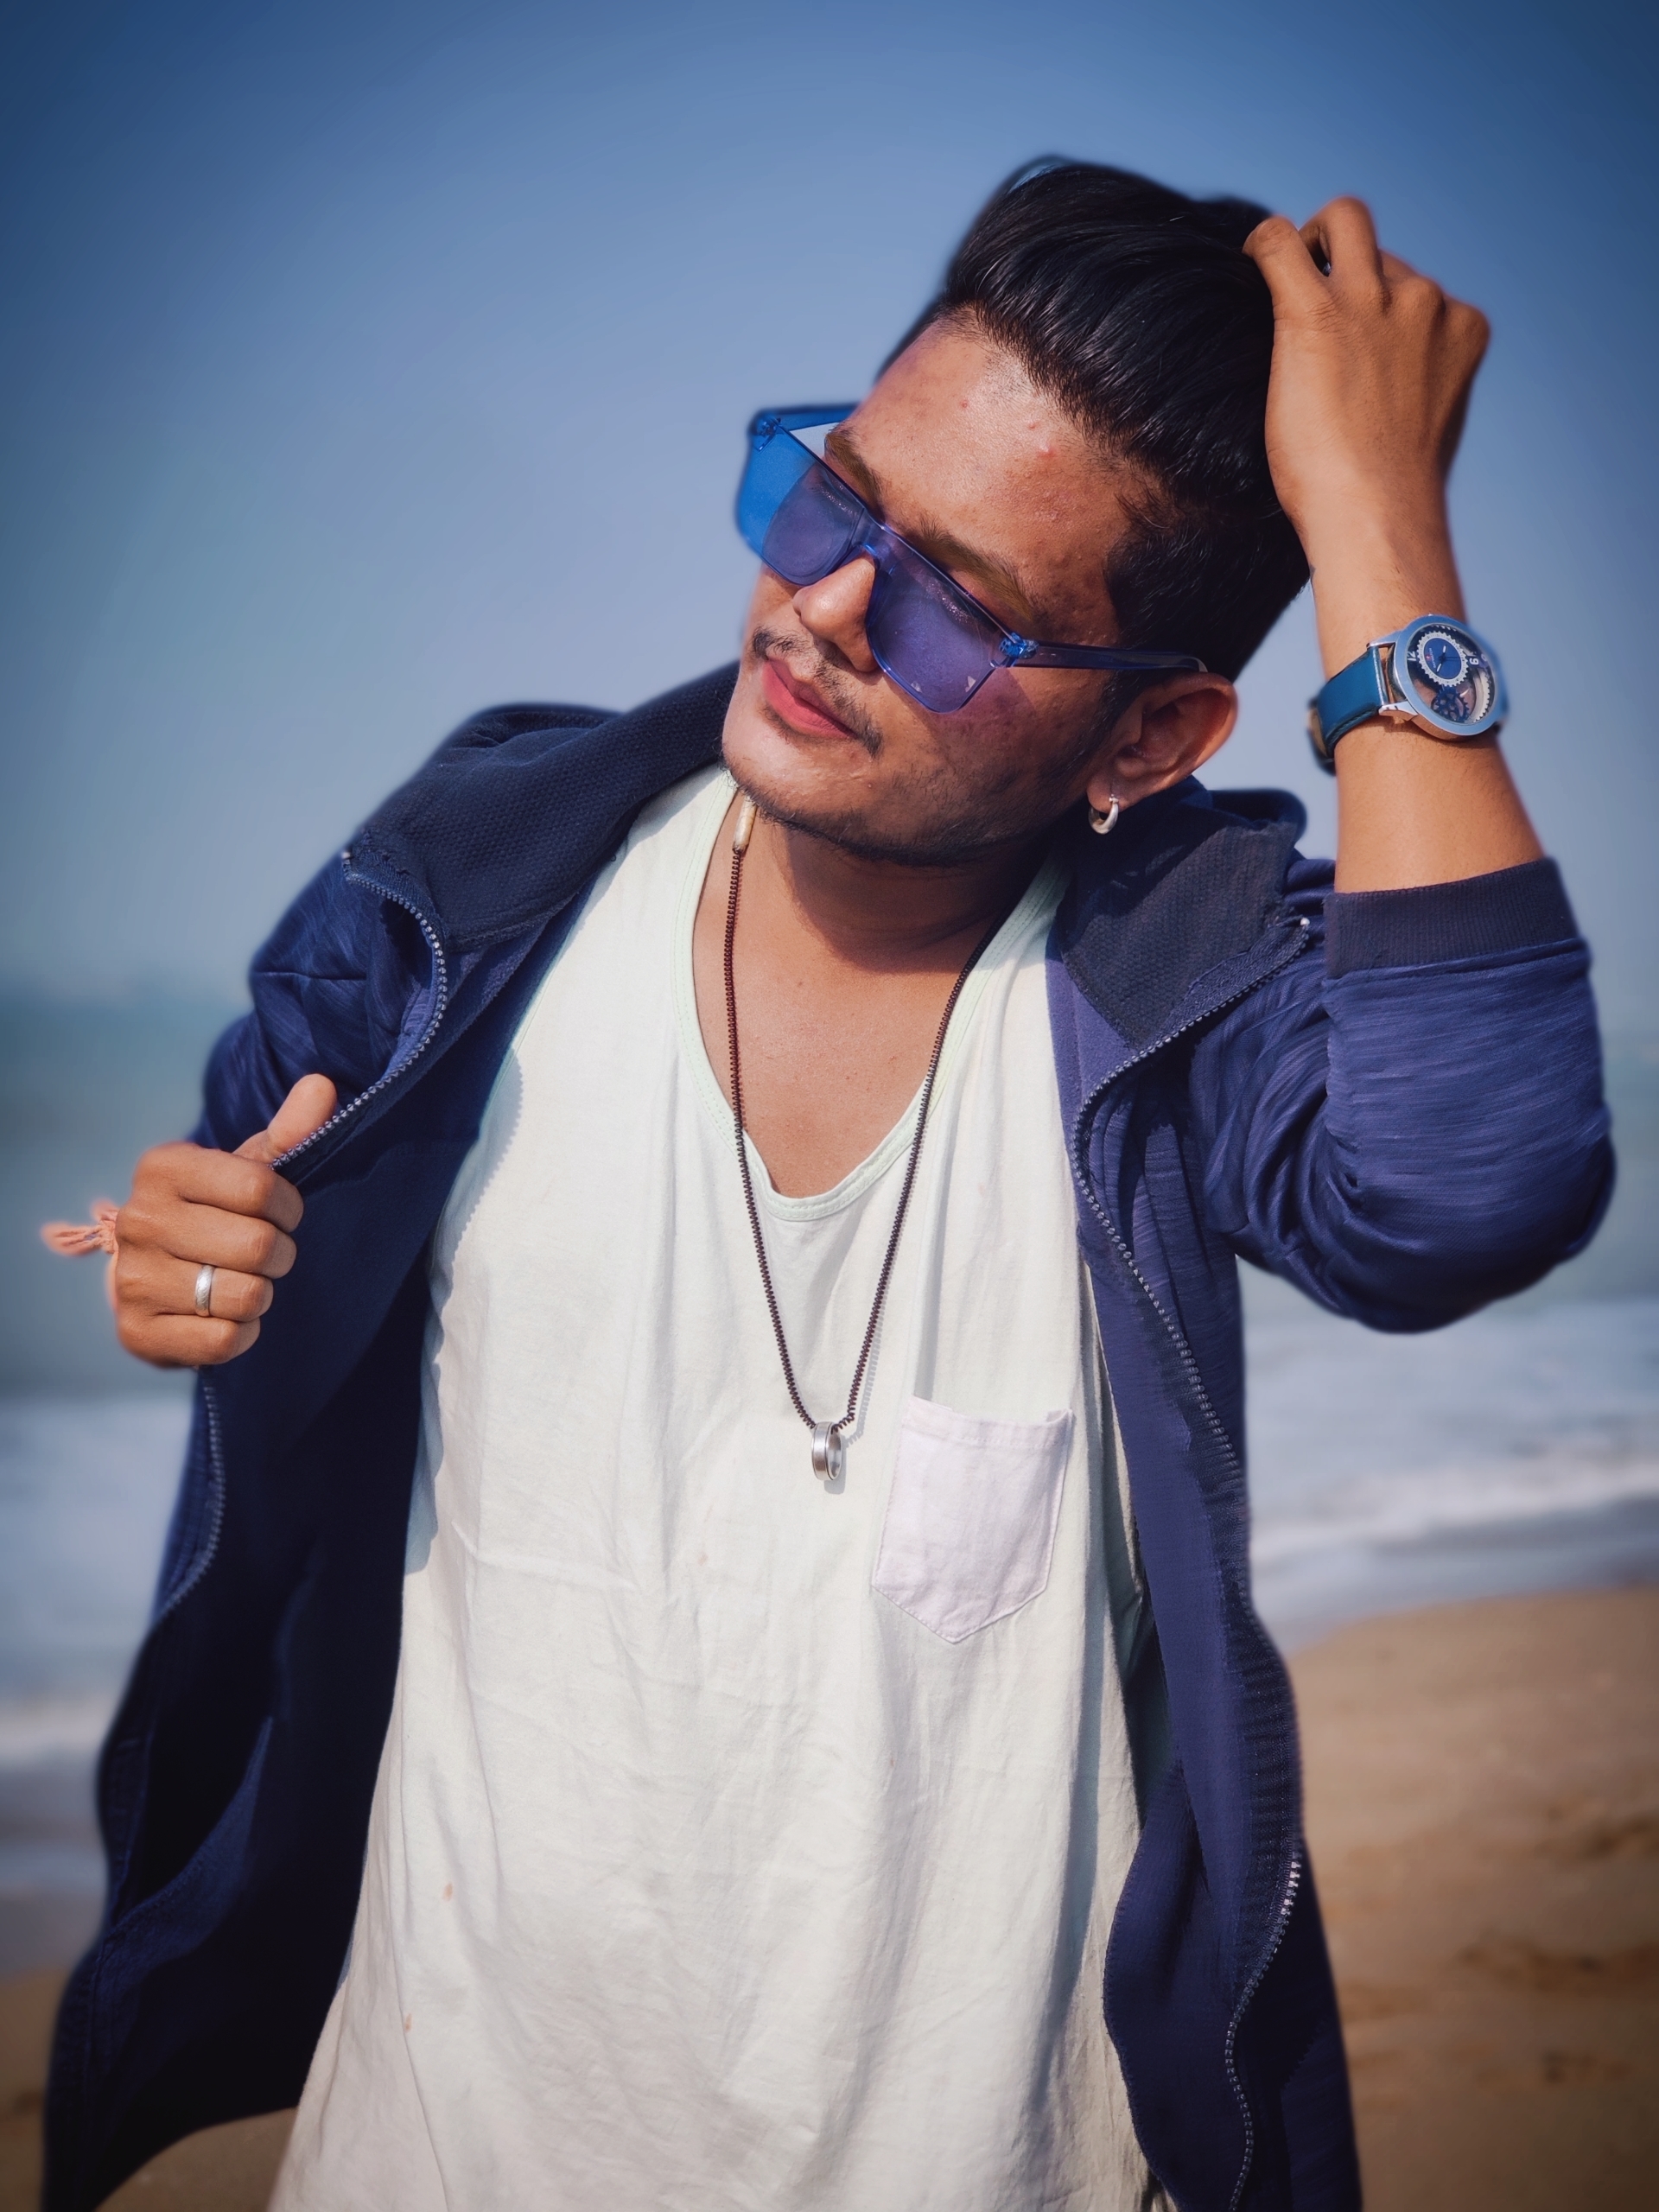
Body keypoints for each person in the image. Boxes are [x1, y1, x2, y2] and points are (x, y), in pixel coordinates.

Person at [43, 162, 1611, 2212]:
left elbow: (1472, 1182)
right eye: (830, 497)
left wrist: (1380, 527)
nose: (828, 610)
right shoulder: (461, 900)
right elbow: (234, 1203)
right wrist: (193, 1276)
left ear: (1156, 729)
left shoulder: (1180, 994)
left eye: (956, 599)